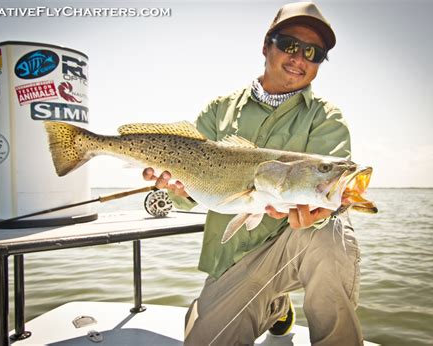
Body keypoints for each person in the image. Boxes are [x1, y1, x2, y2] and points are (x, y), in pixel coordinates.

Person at [143, 2, 363, 345]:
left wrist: (321, 213)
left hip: (294, 243)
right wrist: (170, 187)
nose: (299, 58)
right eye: (290, 45)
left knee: (333, 232)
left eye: (313, 52)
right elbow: (185, 196)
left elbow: (328, 194)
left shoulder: (327, 118)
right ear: (266, 45)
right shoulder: (219, 109)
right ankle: (277, 306)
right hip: (235, 258)